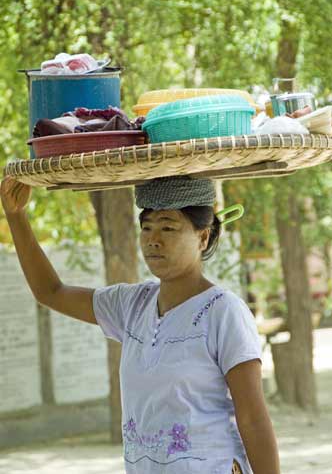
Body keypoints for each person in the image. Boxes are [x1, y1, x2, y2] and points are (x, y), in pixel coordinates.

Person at [0, 175, 280, 474]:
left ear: (203, 237)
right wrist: (16, 216)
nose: (153, 239)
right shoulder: (132, 304)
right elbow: (51, 292)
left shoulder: (224, 312)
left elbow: (252, 418)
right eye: (146, 227)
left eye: (168, 227)